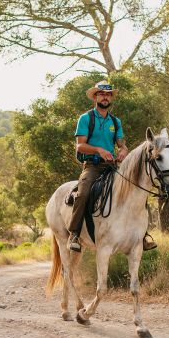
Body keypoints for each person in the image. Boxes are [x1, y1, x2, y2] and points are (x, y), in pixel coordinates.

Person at [67, 80, 156, 253]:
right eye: (101, 94)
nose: (105, 97)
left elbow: (121, 144)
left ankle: (142, 235)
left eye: (108, 94)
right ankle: (74, 234)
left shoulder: (115, 122)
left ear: (111, 98)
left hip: (113, 166)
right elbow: (80, 146)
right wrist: (99, 150)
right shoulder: (86, 119)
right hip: (92, 166)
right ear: (95, 97)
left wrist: (123, 150)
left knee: (136, 191)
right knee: (83, 193)